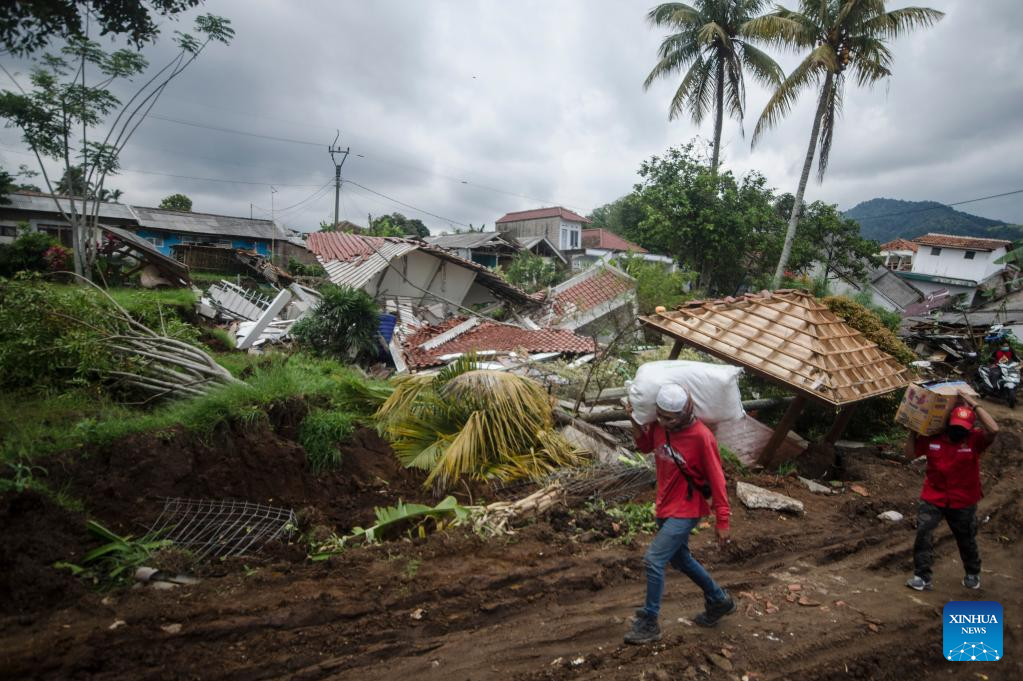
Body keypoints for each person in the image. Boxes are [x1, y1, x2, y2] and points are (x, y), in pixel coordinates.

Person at [623, 383, 734, 645]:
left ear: (684, 413)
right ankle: (718, 600)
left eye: (670, 418)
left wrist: (722, 519)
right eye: (660, 416)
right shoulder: (660, 427)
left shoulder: (701, 437)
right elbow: (645, 445)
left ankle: (650, 622)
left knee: (654, 559)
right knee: (681, 560)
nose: (663, 422)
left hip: (688, 508)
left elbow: (718, 480)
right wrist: (634, 419)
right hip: (665, 505)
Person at [904, 390, 998, 591]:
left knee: (966, 539)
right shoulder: (934, 438)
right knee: (923, 534)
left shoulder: (975, 440)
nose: (958, 432)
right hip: (934, 496)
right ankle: (922, 577)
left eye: (962, 428)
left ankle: (972, 572)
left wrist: (973, 403)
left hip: (963, 500)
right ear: (948, 424)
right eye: (955, 427)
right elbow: (910, 455)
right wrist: (913, 430)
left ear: (970, 429)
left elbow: (994, 429)